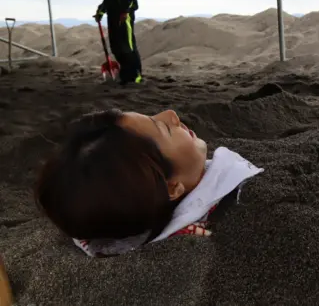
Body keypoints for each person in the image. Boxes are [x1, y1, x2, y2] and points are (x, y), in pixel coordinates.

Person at [34, 109, 264, 257]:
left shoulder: (103, 213)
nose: (171, 115)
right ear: (172, 187)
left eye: (154, 117)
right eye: (164, 128)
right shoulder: (236, 216)